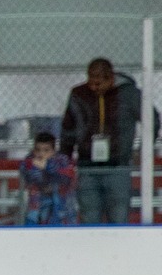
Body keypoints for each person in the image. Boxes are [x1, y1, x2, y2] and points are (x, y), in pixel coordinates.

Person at [60, 57, 143, 225]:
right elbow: (68, 127)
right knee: (89, 217)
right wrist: (65, 158)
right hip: (87, 166)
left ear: (111, 78)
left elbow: (151, 120)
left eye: (99, 83)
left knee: (119, 216)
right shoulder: (79, 94)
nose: (94, 88)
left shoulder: (129, 94)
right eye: (90, 82)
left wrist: (142, 150)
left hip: (118, 165)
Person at [20, 130, 79, 226]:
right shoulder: (29, 162)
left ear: (54, 151)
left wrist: (47, 166)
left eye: (46, 150)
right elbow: (32, 178)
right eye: (38, 150)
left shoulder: (63, 161)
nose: (41, 154)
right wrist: (40, 168)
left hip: (62, 210)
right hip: (37, 209)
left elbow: (66, 178)